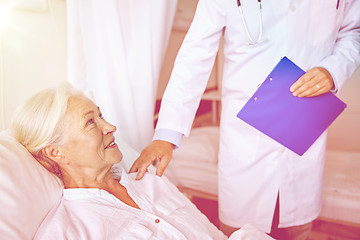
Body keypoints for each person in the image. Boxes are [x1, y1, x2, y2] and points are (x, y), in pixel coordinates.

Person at [129, 0, 360, 239]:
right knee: (240, 233)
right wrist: (166, 137)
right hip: (246, 142)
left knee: (298, 230)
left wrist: (333, 71)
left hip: (304, 136)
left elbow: (354, 33)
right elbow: (194, 56)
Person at [10, 84, 273, 239]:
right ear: (55, 152)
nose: (110, 126)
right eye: (91, 122)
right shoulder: (68, 231)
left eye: (101, 116)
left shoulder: (148, 180)